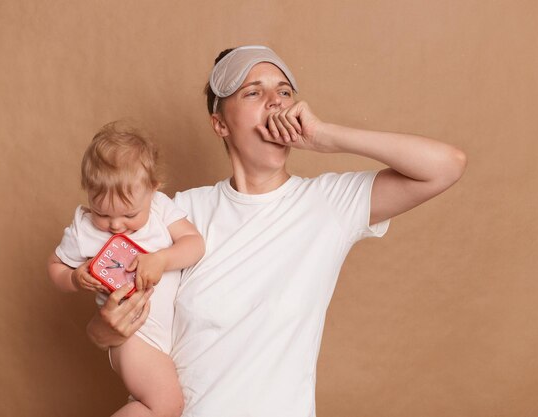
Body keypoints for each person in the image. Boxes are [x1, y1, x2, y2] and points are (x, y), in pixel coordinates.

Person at [86, 45, 467, 417]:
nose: (276, 101)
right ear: (220, 124)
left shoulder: (328, 205)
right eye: (254, 92)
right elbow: (127, 321)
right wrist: (104, 331)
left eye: (284, 91)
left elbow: (446, 165)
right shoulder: (179, 215)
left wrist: (326, 137)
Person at [47, 121, 205, 417]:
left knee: (152, 407)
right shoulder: (83, 230)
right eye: (102, 214)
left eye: (130, 214)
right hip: (133, 337)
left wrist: (162, 259)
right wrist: (73, 278)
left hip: (166, 338)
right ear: (88, 193)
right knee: (166, 406)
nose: (116, 225)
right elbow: (54, 267)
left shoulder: (160, 208)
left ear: (153, 189)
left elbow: (195, 243)